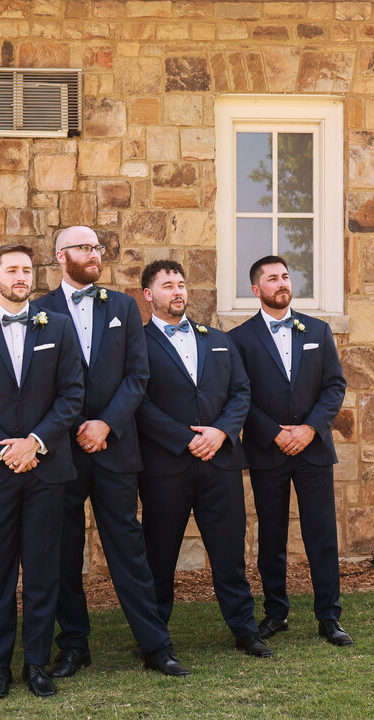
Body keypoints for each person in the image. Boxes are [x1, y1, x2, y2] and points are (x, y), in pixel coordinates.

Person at [32, 226, 188, 679]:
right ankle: (74, 645)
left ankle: (155, 644)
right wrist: (71, 427)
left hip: (115, 448)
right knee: (63, 551)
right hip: (61, 452)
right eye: (85, 247)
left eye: (98, 247)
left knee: (128, 548)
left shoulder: (122, 306)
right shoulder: (38, 312)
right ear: (62, 256)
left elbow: (137, 377)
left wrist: (105, 424)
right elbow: (39, 384)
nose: (95, 253)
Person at [0, 244, 85, 699]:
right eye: (12, 270)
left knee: (45, 570)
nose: (21, 276)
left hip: (47, 469)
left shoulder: (60, 328)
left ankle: (36, 664)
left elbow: (72, 394)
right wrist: (5, 448)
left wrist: (36, 443)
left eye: (27, 270)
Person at [136, 261, 272, 658]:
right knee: (159, 557)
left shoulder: (217, 339)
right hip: (165, 467)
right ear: (149, 295)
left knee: (229, 554)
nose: (177, 291)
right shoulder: (137, 344)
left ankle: (245, 631)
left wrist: (221, 432)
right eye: (167, 286)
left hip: (220, 462)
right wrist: (184, 439)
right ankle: (155, 640)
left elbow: (241, 392)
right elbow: (138, 402)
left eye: (181, 284)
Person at [228, 255, 352, 647]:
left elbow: (334, 386)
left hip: (313, 450)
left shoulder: (318, 330)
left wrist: (310, 428)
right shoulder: (239, 339)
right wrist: (273, 433)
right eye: (272, 278)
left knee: (322, 535)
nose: (281, 283)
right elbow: (238, 396)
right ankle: (276, 613)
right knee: (272, 536)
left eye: (285, 276)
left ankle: (329, 617)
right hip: (268, 452)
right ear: (256, 289)